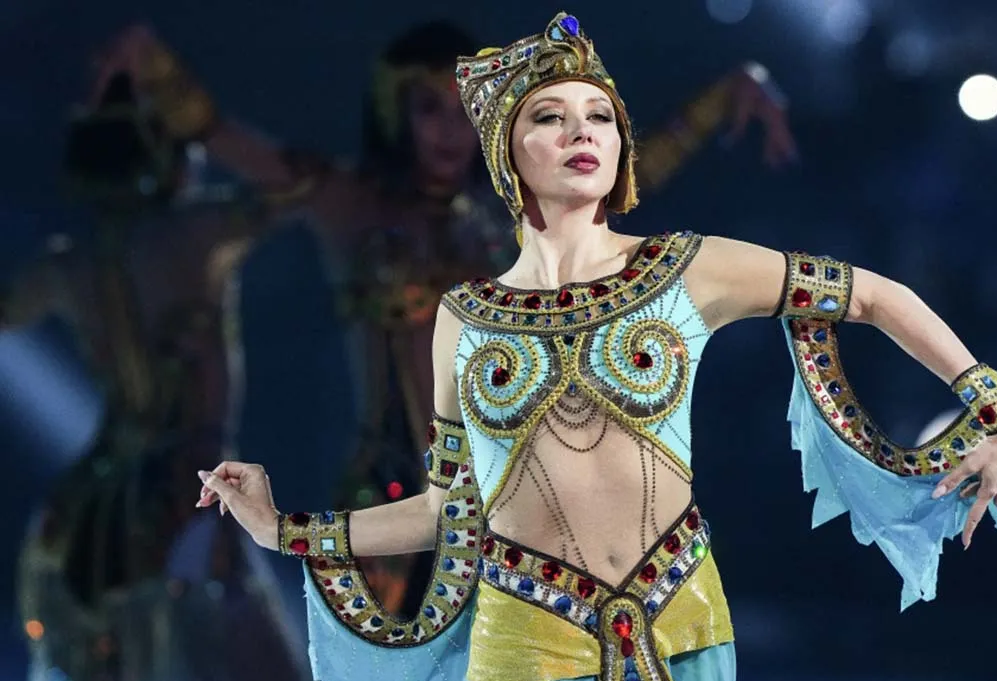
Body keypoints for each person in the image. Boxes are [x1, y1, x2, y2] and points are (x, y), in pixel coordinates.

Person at [196, 12, 997, 681]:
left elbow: (874, 295)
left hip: (682, 622)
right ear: (507, 150)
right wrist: (282, 531)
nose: (583, 130)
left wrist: (993, 405)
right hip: (524, 642)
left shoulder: (687, 268)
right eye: (550, 115)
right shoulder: (465, 317)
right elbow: (452, 512)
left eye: (601, 115)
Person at [99, 18, 796, 620]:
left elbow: (626, 170)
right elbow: (229, 140)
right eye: (428, 108)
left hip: (511, 501)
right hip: (388, 499)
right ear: (394, 110)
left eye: (462, 110)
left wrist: (725, 95)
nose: (448, 131)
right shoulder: (352, 204)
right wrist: (155, 68)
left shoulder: (509, 214)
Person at [8, 74, 314, 681]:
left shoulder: (68, 264)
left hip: (87, 511)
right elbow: (296, 186)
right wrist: (190, 102)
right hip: (183, 495)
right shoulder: (194, 234)